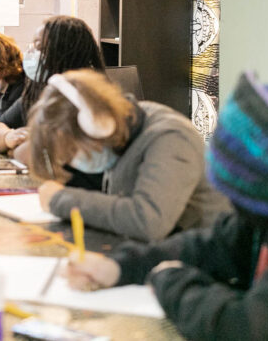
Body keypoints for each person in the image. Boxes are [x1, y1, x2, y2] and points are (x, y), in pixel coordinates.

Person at [61, 72, 268, 340]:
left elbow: (243, 328)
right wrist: (122, 267)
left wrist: (169, 278)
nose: (237, 211)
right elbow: (217, 244)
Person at [29, 69, 228, 242]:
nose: (72, 162)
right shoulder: (122, 135)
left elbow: (148, 220)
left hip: (204, 266)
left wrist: (60, 200)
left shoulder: (171, 137)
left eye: (72, 152)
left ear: (98, 124)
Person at [0, 15, 105, 153]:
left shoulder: (81, 98)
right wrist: (8, 137)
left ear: (62, 51)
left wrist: (13, 149)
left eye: (38, 46)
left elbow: (29, 154)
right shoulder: (36, 90)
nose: (30, 52)